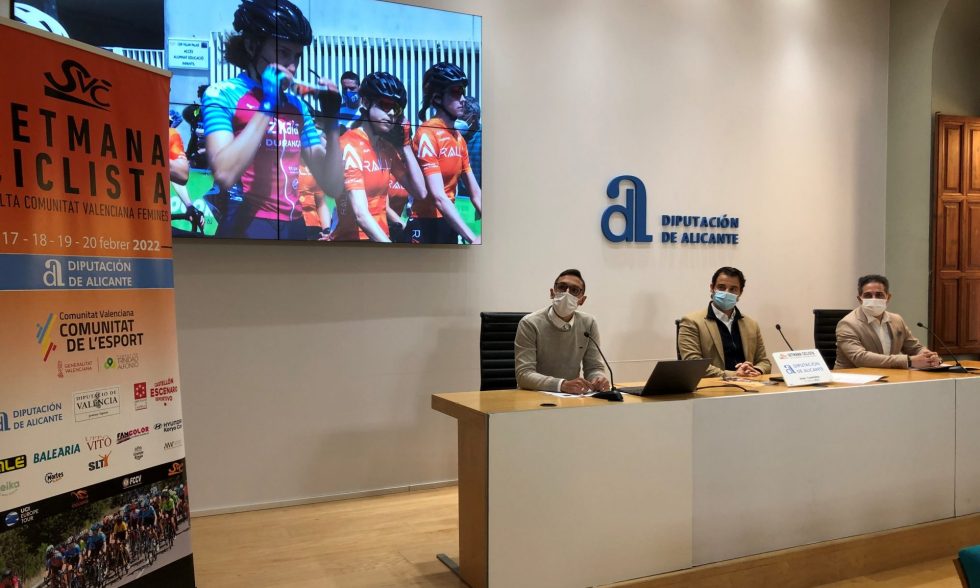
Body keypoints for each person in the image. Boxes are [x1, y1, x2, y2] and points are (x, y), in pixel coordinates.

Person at [202, 0, 344, 239]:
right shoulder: (222, 94)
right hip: (246, 223)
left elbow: (332, 185)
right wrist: (268, 104)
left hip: (294, 225)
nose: (292, 67)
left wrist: (331, 123)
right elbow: (224, 174)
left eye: (297, 56)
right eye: (283, 53)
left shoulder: (297, 105)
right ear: (252, 46)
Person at [328, 72, 425, 242]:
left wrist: (405, 146)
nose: (392, 113)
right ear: (366, 102)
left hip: (379, 239)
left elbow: (420, 192)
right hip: (351, 243)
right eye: (385, 105)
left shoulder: (386, 147)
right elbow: (361, 214)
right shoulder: (350, 145)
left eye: (397, 108)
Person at [406, 62, 481, 244]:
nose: (463, 99)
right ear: (437, 98)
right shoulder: (427, 134)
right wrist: (472, 238)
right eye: (456, 92)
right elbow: (439, 197)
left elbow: (475, 193)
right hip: (424, 223)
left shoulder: (458, 138)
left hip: (447, 221)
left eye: (463, 92)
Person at [514, 269, 610, 393]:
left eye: (574, 290)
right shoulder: (530, 323)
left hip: (571, 396)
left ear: (582, 300)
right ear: (552, 293)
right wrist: (561, 385)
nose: (567, 293)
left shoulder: (588, 323)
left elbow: (594, 367)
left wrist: (598, 378)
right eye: (562, 287)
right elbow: (524, 374)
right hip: (534, 396)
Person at [678, 266, 771, 378]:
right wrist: (734, 375)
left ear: (740, 292)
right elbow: (694, 364)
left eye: (733, 289)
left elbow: (764, 362)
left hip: (750, 385)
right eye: (721, 287)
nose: (727, 292)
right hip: (713, 387)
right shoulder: (691, 322)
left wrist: (756, 370)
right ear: (712, 288)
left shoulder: (751, 324)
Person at [835, 274, 942, 369]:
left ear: (888, 297)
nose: (874, 299)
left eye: (879, 295)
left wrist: (929, 356)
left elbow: (914, 348)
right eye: (868, 295)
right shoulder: (847, 324)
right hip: (852, 379)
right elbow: (859, 358)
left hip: (888, 377)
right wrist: (908, 361)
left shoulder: (897, 320)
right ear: (860, 299)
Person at [455, 95, 482, 218]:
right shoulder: (454, 137)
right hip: (459, 201)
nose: (457, 121)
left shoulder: (483, 138)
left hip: (479, 201)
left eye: (462, 117)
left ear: (474, 118)